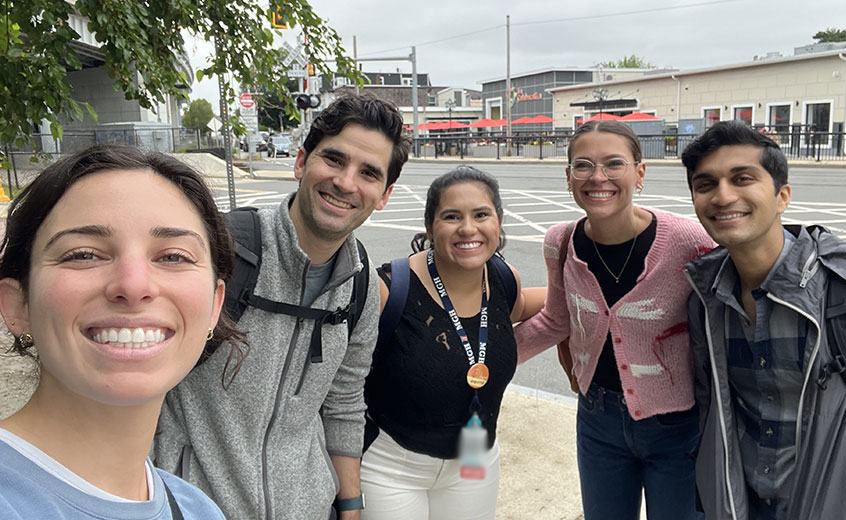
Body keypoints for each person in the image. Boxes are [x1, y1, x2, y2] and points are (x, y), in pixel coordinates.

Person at [154, 93, 411, 519]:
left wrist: (350, 507)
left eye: (368, 173)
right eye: (334, 159)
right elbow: (143, 377)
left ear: (383, 195)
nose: (346, 183)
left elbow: (344, 403)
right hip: (192, 507)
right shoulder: (221, 250)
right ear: (301, 162)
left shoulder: (361, 284)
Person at [681, 121, 846, 519]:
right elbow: (715, 413)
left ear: (782, 197)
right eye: (706, 184)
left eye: (742, 178)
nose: (723, 196)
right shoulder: (706, 299)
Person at [0, 145, 235, 518]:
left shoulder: (199, 511)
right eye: (84, 255)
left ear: (214, 305)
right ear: (18, 305)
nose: (134, 285)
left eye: (173, 256)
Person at [514, 121, 714, 520]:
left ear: (640, 173)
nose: (598, 177)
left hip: (678, 426)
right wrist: (482, 361)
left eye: (614, 163)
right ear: (568, 176)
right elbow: (556, 320)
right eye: (583, 165)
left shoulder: (689, 242)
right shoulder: (560, 241)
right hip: (597, 418)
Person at [361, 166, 539, 519]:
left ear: (499, 222)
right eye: (452, 216)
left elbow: (526, 306)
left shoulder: (504, 279)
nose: (468, 228)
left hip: (475, 458)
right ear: (430, 228)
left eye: (481, 215)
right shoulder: (388, 290)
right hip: (392, 469)